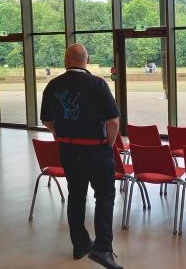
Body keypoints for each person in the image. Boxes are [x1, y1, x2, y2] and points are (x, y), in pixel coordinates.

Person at [40, 44, 123, 269]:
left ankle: (80, 244)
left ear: (67, 60)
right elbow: (113, 120)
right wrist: (110, 143)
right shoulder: (97, 84)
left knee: (76, 195)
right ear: (87, 60)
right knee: (104, 196)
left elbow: (46, 119)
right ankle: (103, 248)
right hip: (96, 150)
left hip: (68, 150)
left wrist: (58, 133)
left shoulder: (53, 85)